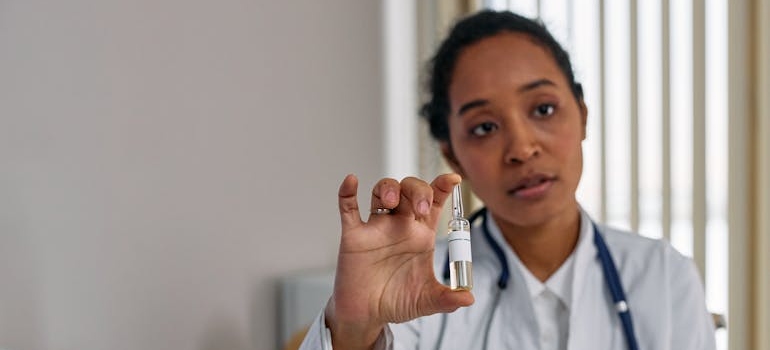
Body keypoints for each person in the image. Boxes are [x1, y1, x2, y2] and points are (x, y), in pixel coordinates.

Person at [300, 10, 716, 350]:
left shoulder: (662, 276)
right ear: (451, 153)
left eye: (544, 109)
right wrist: (355, 328)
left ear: (583, 115)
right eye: (484, 127)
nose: (521, 147)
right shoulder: (418, 283)